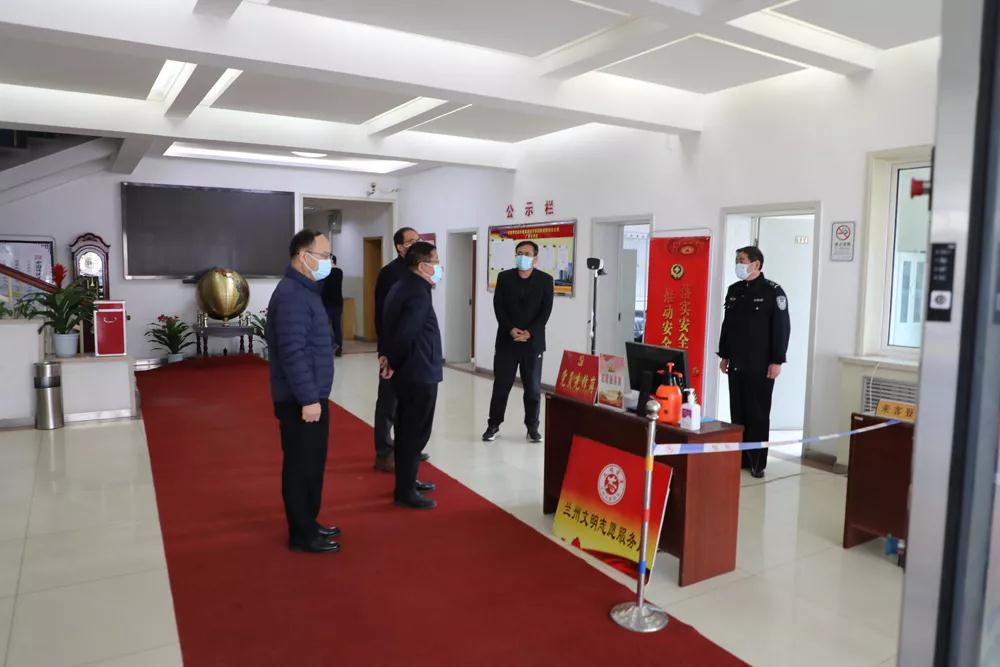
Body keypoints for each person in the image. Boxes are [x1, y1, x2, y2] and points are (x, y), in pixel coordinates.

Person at [266, 229, 341, 553]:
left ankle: (309, 521)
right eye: (323, 256)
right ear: (303, 256)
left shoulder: (306, 290)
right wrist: (309, 398)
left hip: (312, 393)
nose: (328, 262)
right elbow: (292, 352)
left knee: (312, 464)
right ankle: (301, 533)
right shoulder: (292, 295)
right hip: (300, 398)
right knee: (301, 466)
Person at [717, 245, 791, 479]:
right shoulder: (735, 290)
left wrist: (777, 360)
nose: (738, 264)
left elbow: (782, 329)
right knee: (738, 412)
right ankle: (739, 458)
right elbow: (728, 325)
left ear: (756, 264)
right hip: (737, 363)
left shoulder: (773, 292)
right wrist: (724, 355)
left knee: (757, 414)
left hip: (760, 365)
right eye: (737, 260)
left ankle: (757, 462)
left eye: (742, 260)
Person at [380, 241, 443, 510]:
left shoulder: (403, 285)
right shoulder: (418, 292)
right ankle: (405, 491)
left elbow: (389, 325)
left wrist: (388, 356)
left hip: (411, 369)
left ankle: (408, 480)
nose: (438, 267)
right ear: (422, 265)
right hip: (418, 371)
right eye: (435, 262)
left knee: (408, 430)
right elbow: (406, 332)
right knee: (414, 432)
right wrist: (392, 360)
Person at [482, 240, 553, 443]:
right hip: (507, 341)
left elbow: (545, 311)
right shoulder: (504, 277)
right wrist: (510, 329)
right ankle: (493, 425)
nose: (523, 257)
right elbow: (498, 307)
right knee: (501, 386)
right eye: (519, 253)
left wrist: (530, 332)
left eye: (527, 254)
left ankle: (532, 428)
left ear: (535, 258)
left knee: (533, 389)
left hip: (533, 343)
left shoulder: (545, 280)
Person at [372, 227, 429, 472]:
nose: (416, 243)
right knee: (389, 402)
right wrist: (385, 351)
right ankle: (384, 452)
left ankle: (407, 448)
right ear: (399, 247)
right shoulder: (389, 273)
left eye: (418, 239)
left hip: (415, 352)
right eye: (411, 241)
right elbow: (382, 314)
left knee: (409, 404)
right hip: (393, 349)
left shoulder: (419, 271)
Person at [321, 254, 344, 357]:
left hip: (327, 304)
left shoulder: (326, 273)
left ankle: (332, 346)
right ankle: (338, 347)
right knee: (336, 326)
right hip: (338, 303)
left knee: (327, 327)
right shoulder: (339, 272)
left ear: (331, 260)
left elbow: (323, 288)